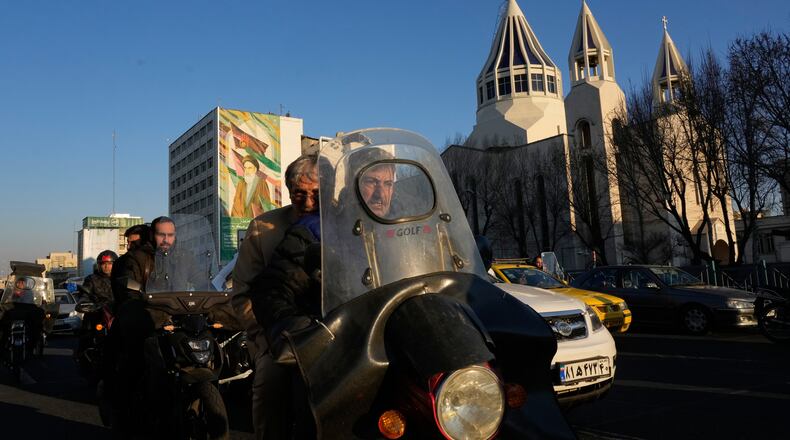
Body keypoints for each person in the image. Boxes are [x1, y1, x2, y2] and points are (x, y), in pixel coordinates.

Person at [231, 153, 318, 440]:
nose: (307, 203)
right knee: (270, 386)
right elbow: (243, 293)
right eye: (299, 194)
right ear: (289, 191)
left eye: (316, 194)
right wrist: (266, 339)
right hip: (278, 335)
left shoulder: (345, 223)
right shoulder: (263, 228)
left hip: (337, 329)